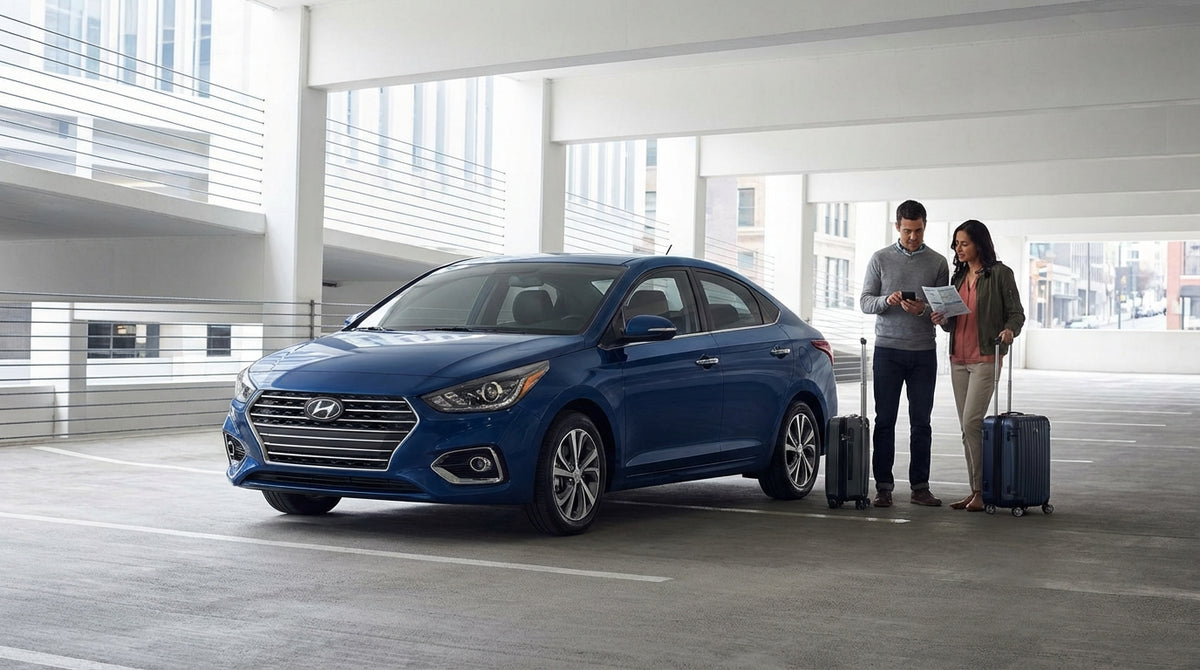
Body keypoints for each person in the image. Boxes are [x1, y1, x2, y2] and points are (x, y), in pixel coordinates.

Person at [931, 220, 1025, 511]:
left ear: (979, 244)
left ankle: (983, 491)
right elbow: (953, 323)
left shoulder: (1000, 274)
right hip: (958, 359)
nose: (958, 249)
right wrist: (942, 319)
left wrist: (1009, 331)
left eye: (964, 243)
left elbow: (1017, 314)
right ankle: (976, 491)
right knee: (966, 428)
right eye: (956, 244)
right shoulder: (958, 278)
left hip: (985, 358)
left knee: (973, 422)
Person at [860, 200, 949, 507]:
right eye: (908, 230)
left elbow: (943, 312)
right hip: (887, 352)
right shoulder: (880, 259)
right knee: (885, 420)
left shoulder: (938, 263)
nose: (913, 237)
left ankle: (920, 487)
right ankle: (883, 488)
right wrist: (887, 300)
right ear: (897, 226)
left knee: (921, 422)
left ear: (925, 226)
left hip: (924, 353)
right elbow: (865, 302)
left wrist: (924, 309)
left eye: (919, 231)